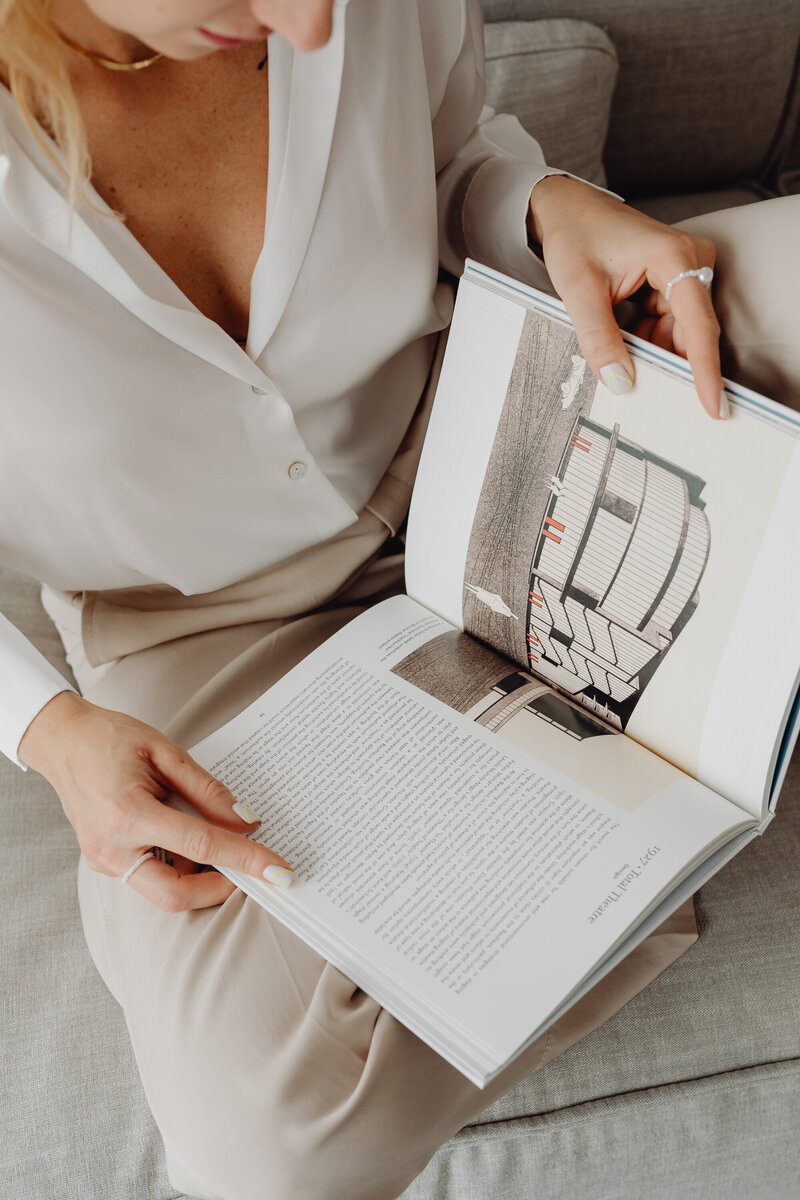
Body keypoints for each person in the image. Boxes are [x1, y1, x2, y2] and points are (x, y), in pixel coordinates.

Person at [1, 2, 797, 1197]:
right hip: (197, 627)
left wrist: (538, 208)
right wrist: (46, 730)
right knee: (268, 1149)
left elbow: (449, 157)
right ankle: (601, 872)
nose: (313, 22)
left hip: (482, 427)